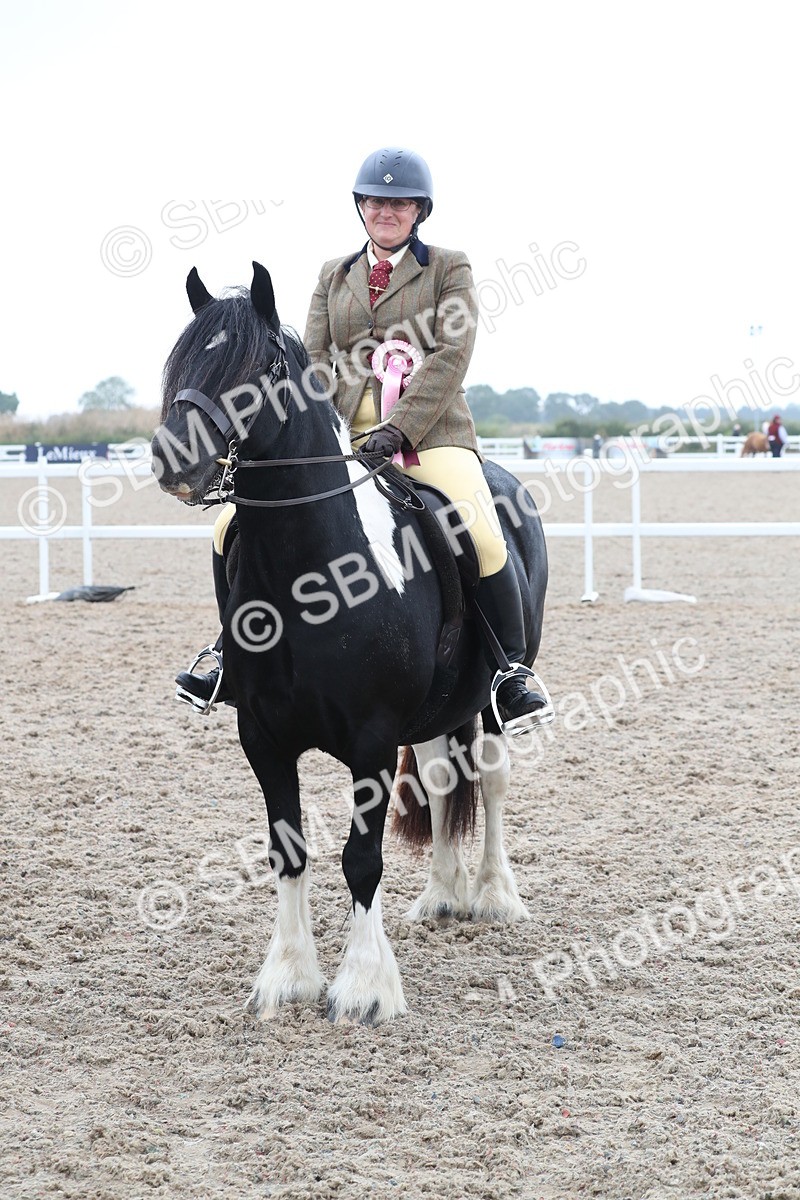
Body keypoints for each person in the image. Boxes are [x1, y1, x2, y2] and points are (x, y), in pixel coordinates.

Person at [176, 146, 550, 733]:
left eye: (399, 203)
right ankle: (230, 653)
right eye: (377, 201)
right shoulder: (334, 273)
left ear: (419, 210)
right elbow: (315, 360)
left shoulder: (450, 267)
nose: (387, 211)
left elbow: (452, 355)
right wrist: (325, 429)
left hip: (431, 435)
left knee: (478, 526)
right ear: (361, 207)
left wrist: (398, 428)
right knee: (231, 526)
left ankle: (509, 674)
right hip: (343, 434)